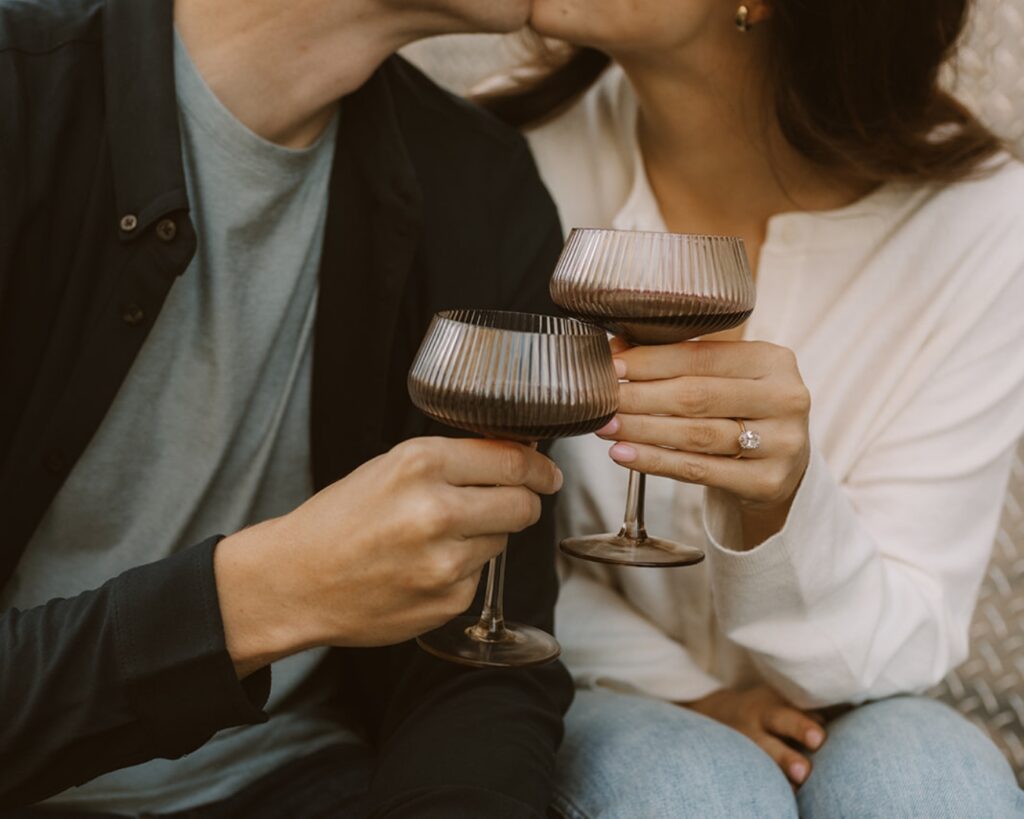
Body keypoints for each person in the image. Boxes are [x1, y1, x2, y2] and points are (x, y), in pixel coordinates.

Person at [0, 0, 574, 815]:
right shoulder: (21, 89)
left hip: (309, 782)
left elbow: (479, 664)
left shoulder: (484, 187)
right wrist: (261, 597)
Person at [480, 0, 1024, 816]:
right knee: (694, 788)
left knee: (933, 784)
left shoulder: (981, 222)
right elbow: (488, 555)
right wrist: (688, 696)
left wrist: (781, 506)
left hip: (860, 701)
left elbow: (904, 635)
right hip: (587, 670)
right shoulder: (504, 154)